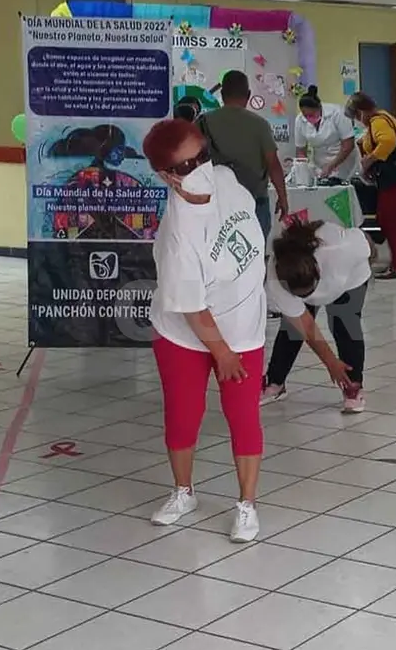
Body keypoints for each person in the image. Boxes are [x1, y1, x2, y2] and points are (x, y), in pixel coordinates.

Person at [142, 118, 268, 543]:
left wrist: (234, 346)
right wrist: (222, 353)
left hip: (243, 325)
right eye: (186, 164)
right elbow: (194, 310)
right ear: (166, 176)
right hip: (185, 331)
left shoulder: (228, 180)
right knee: (183, 413)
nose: (200, 168)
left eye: (203, 155)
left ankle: (247, 505)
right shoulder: (180, 235)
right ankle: (183, 492)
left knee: (243, 414)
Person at [262, 219, 373, 413]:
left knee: (345, 324)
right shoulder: (276, 277)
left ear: (318, 270)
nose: (310, 298)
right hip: (313, 273)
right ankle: (275, 383)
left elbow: (366, 242)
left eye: (310, 292)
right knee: (291, 330)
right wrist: (330, 361)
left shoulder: (343, 249)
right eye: (302, 296)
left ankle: (353, 386)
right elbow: (305, 325)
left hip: (351, 279)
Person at [197, 70, 288, 241]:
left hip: (215, 203)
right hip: (254, 202)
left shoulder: (202, 123)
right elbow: (273, 164)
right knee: (254, 254)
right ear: (248, 95)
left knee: (216, 255)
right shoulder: (260, 125)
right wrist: (283, 198)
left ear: (222, 95)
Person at [345, 92, 396, 282]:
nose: (357, 120)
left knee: (391, 221)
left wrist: (369, 160)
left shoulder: (378, 121)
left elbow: (388, 142)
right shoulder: (381, 119)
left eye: (356, 116)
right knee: (387, 218)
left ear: (361, 112)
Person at [294, 86, 358, 181]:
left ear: (320, 107)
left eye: (311, 115)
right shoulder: (300, 121)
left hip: (344, 162)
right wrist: (302, 168)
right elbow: (301, 150)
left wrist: (332, 165)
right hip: (320, 165)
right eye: (305, 115)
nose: (308, 118)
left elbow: (348, 144)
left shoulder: (337, 113)